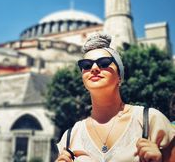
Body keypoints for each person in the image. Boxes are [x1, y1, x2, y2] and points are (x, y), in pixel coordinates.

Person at [56, 33, 175, 162]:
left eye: (104, 63)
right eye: (86, 65)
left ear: (119, 77)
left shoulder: (150, 121)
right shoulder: (71, 136)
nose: (94, 68)